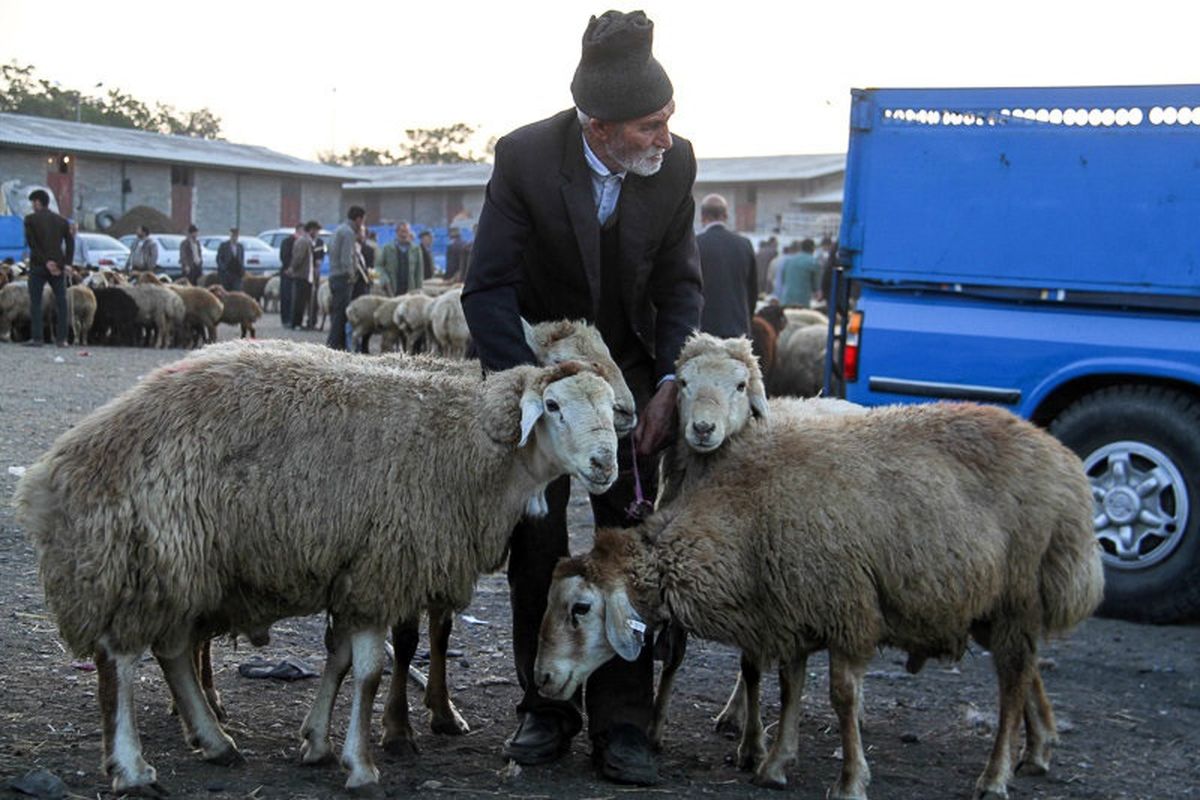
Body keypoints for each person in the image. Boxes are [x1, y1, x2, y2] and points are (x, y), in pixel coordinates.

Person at [462, 10, 701, 786]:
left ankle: (624, 722)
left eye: (669, 121)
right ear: (598, 128)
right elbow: (488, 288)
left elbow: (678, 286)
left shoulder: (678, 166)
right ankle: (545, 707)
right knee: (537, 548)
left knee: (626, 549)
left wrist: (667, 381)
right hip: (547, 381)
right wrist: (533, 391)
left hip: (628, 385)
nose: (664, 137)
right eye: (649, 127)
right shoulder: (527, 157)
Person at [695, 193, 756, 338]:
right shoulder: (744, 244)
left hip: (703, 331)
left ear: (702, 216)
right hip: (738, 332)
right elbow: (752, 291)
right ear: (726, 216)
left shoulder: (695, 244)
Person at [22, 189, 73, 346]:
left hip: (38, 266)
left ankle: (37, 338)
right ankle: (62, 339)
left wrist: (46, 262)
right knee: (61, 302)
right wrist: (65, 264)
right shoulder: (62, 221)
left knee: (36, 302)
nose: (32, 206)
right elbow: (70, 243)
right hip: (58, 267)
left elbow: (33, 245)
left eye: (33, 202)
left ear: (38, 202)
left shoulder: (30, 220)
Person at [326, 206, 364, 349]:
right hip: (343, 278)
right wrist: (352, 275)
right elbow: (346, 258)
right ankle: (334, 345)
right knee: (341, 315)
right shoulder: (348, 233)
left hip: (334, 275)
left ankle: (336, 344)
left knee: (337, 312)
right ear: (358, 219)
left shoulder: (338, 230)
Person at [289, 221, 320, 330]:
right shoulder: (303, 241)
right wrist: (294, 269)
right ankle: (296, 323)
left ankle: (306, 322)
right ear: (311, 230)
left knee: (306, 300)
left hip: (308, 276)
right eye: (316, 231)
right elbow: (298, 258)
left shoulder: (309, 241)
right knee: (299, 301)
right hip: (301, 275)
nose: (317, 233)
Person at [378, 221, 422, 296]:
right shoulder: (387, 248)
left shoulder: (416, 250)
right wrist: (385, 279)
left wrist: (419, 290)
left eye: (406, 232)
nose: (404, 234)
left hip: (410, 290)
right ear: (397, 232)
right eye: (402, 231)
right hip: (392, 289)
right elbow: (378, 266)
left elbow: (419, 272)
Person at [777, 238, 821, 307]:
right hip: (802, 301)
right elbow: (816, 286)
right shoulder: (813, 262)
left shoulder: (789, 260)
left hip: (786, 299)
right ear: (813, 248)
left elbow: (783, 279)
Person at [279, 223, 303, 325]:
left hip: (297, 274)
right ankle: (286, 319)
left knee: (295, 298)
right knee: (286, 297)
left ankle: (293, 319)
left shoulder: (303, 242)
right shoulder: (287, 242)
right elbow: (284, 256)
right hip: (287, 273)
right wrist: (290, 268)